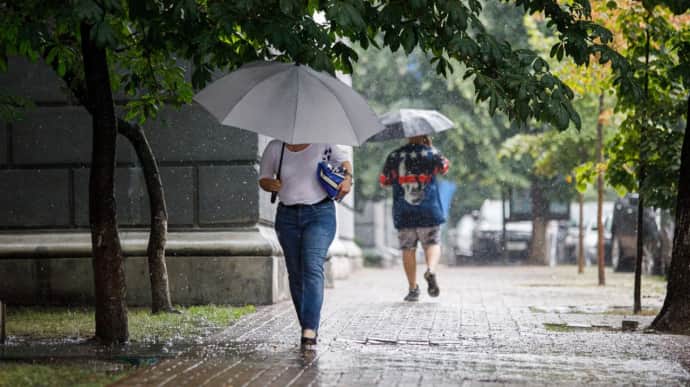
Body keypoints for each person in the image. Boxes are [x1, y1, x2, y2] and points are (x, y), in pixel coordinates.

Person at [259, 140, 353, 349]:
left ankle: (309, 330)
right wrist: (270, 184)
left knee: (312, 266)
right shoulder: (276, 148)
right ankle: (307, 323)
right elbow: (263, 178)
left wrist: (347, 180)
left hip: (320, 214)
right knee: (296, 272)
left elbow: (345, 163)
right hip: (287, 217)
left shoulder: (324, 144)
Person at [379, 135, 449, 302]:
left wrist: (400, 180)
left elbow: (384, 181)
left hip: (404, 210)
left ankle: (412, 288)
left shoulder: (395, 156)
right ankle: (431, 270)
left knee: (408, 248)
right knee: (432, 243)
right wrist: (429, 147)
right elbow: (445, 167)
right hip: (428, 209)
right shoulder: (432, 153)